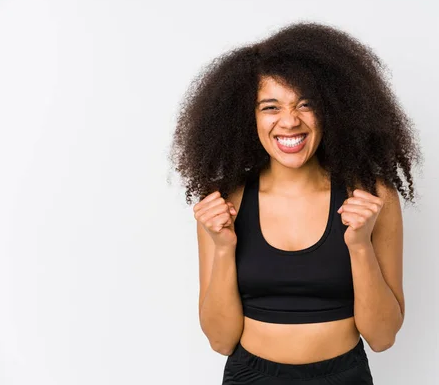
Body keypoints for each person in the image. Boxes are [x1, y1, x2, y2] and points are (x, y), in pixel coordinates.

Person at [170, 21, 422, 384]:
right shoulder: (225, 203)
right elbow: (221, 340)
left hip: (344, 375)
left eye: (306, 104)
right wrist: (223, 248)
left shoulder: (370, 196)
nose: (289, 121)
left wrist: (360, 246)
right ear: (247, 117)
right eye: (271, 107)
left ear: (332, 110)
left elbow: (382, 338)